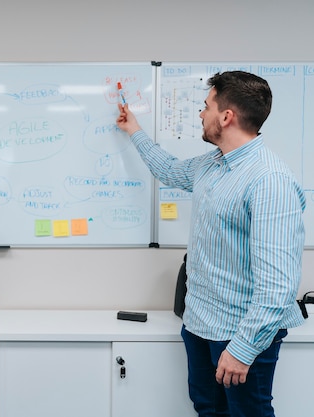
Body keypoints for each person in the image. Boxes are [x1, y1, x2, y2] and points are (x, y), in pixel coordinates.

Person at [117, 71, 305, 417]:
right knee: (208, 410)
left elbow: (278, 285)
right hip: (201, 324)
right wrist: (135, 131)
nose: (201, 115)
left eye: (206, 107)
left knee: (249, 413)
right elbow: (170, 169)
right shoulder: (211, 165)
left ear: (226, 116)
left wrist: (244, 349)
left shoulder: (269, 181)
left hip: (241, 333)